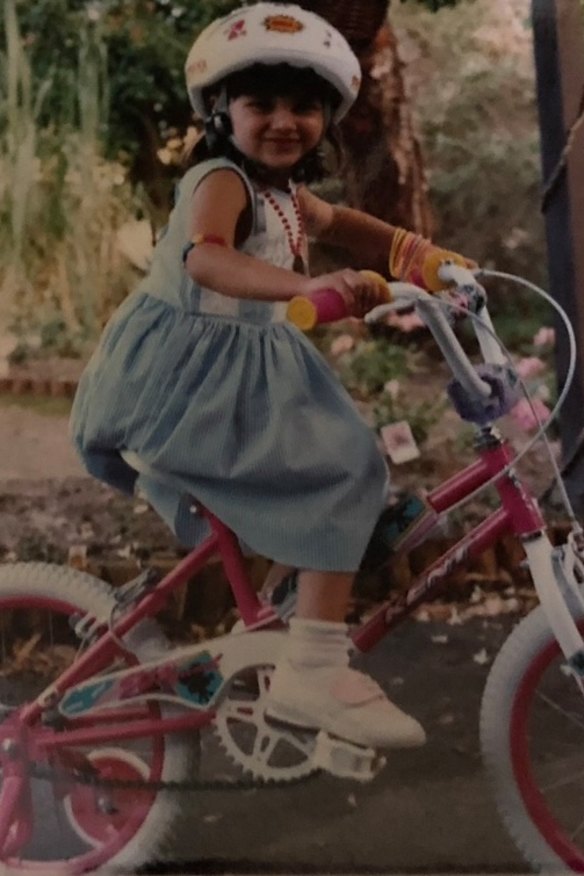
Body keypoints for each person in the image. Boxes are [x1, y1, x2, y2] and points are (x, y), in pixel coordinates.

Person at [71, 1, 472, 752]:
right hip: (185, 379)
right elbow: (207, 259)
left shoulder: (284, 192)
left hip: (243, 362)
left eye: (304, 107)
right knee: (342, 469)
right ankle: (312, 669)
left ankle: (288, 608)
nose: (285, 121)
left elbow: (344, 223)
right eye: (261, 104)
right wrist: (303, 287)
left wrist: (419, 256)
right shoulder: (221, 180)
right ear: (221, 111)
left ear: (327, 116)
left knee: (343, 457)